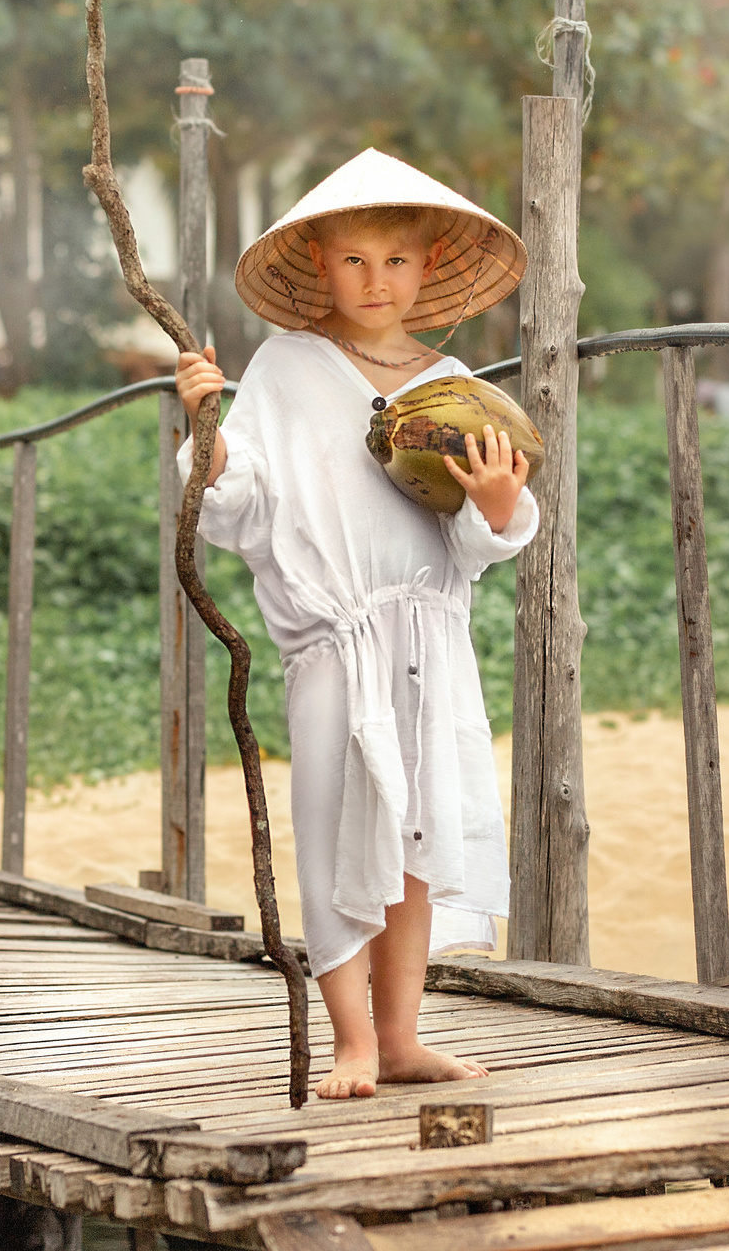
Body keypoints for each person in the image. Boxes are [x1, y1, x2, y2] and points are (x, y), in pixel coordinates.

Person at [173, 148, 536, 1100]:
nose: (378, 282)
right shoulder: (287, 369)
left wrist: (496, 504)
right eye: (356, 261)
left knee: (418, 834)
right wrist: (207, 441)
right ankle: (353, 1040)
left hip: (432, 643)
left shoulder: (454, 382)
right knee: (339, 833)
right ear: (320, 263)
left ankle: (404, 1031)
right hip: (333, 645)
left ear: (429, 265)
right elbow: (244, 502)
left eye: (399, 261)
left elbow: (470, 537)